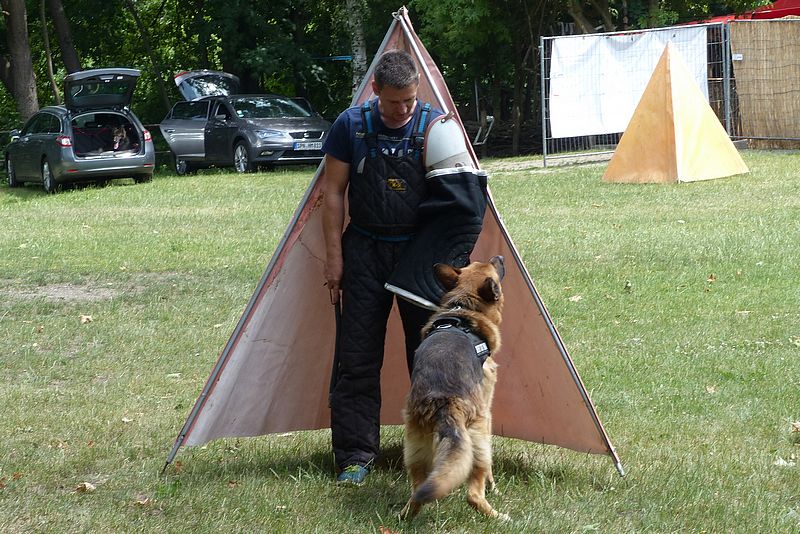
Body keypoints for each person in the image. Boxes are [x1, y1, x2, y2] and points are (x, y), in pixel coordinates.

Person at [322, 49, 443, 485]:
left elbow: (458, 200)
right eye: (395, 102)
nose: (403, 110)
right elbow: (333, 193)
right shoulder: (349, 127)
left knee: (428, 360)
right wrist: (335, 259)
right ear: (375, 92)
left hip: (418, 256)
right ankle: (355, 456)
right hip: (365, 252)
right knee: (356, 359)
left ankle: (430, 453)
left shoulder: (434, 124)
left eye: (410, 100)